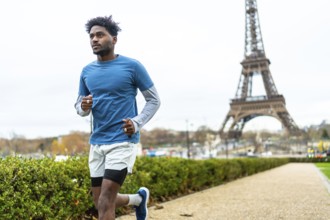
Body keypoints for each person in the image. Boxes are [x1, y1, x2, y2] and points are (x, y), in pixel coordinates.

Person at [74, 15, 160, 220]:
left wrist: (136, 123)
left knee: (105, 201)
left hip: (122, 141)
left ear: (114, 39)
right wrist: (83, 106)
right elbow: (79, 106)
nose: (94, 39)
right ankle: (138, 200)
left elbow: (154, 100)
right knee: (100, 202)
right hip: (97, 142)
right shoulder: (87, 71)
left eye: (100, 35)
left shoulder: (132, 66)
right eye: (91, 36)